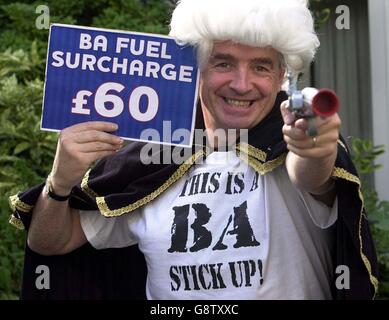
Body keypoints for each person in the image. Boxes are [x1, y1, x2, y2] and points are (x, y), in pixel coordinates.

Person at [9, 0, 378, 299]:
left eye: (261, 67)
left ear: (281, 75)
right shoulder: (148, 155)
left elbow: (311, 175)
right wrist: (59, 183)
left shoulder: (294, 137)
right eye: (224, 63)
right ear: (194, 68)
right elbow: (50, 243)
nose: (241, 83)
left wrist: (313, 148)